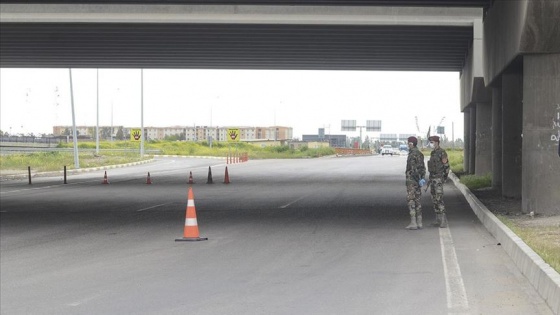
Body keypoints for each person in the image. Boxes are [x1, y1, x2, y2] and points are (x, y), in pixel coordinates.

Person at [427, 135, 450, 228]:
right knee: (434, 199)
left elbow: (447, 166)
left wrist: (444, 178)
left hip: (438, 179)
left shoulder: (442, 152)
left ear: (437, 142)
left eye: (432, 142)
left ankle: (443, 220)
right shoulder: (433, 153)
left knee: (439, 199)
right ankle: (438, 219)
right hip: (432, 179)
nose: (431, 144)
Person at [405, 136, 426, 230]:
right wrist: (422, 178)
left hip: (412, 181)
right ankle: (420, 222)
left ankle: (413, 222)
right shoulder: (420, 154)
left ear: (411, 144)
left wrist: (416, 178)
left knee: (411, 201)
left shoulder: (412, 154)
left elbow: (413, 169)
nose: (407, 145)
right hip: (418, 181)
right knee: (418, 201)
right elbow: (423, 168)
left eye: (408, 143)